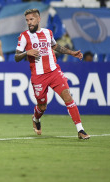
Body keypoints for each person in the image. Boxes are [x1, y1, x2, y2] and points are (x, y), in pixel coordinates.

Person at [14, 8, 90, 140]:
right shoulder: (24, 36)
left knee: (68, 97)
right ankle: (36, 118)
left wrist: (71, 52)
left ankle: (80, 130)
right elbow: (16, 56)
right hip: (38, 77)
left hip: (54, 72)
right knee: (42, 106)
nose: (29, 23)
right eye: (27, 20)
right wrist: (27, 53)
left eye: (31, 19)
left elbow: (55, 46)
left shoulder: (48, 33)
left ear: (38, 19)